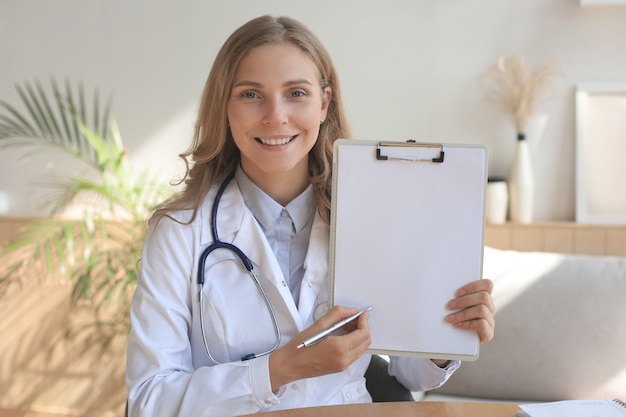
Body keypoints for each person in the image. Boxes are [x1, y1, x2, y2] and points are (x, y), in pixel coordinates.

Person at [125, 15, 496, 417]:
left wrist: (451, 332)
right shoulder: (180, 232)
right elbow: (149, 401)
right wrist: (278, 371)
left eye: (296, 93)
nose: (275, 116)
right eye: (251, 95)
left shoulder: (368, 216)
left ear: (324, 104)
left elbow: (409, 375)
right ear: (225, 107)